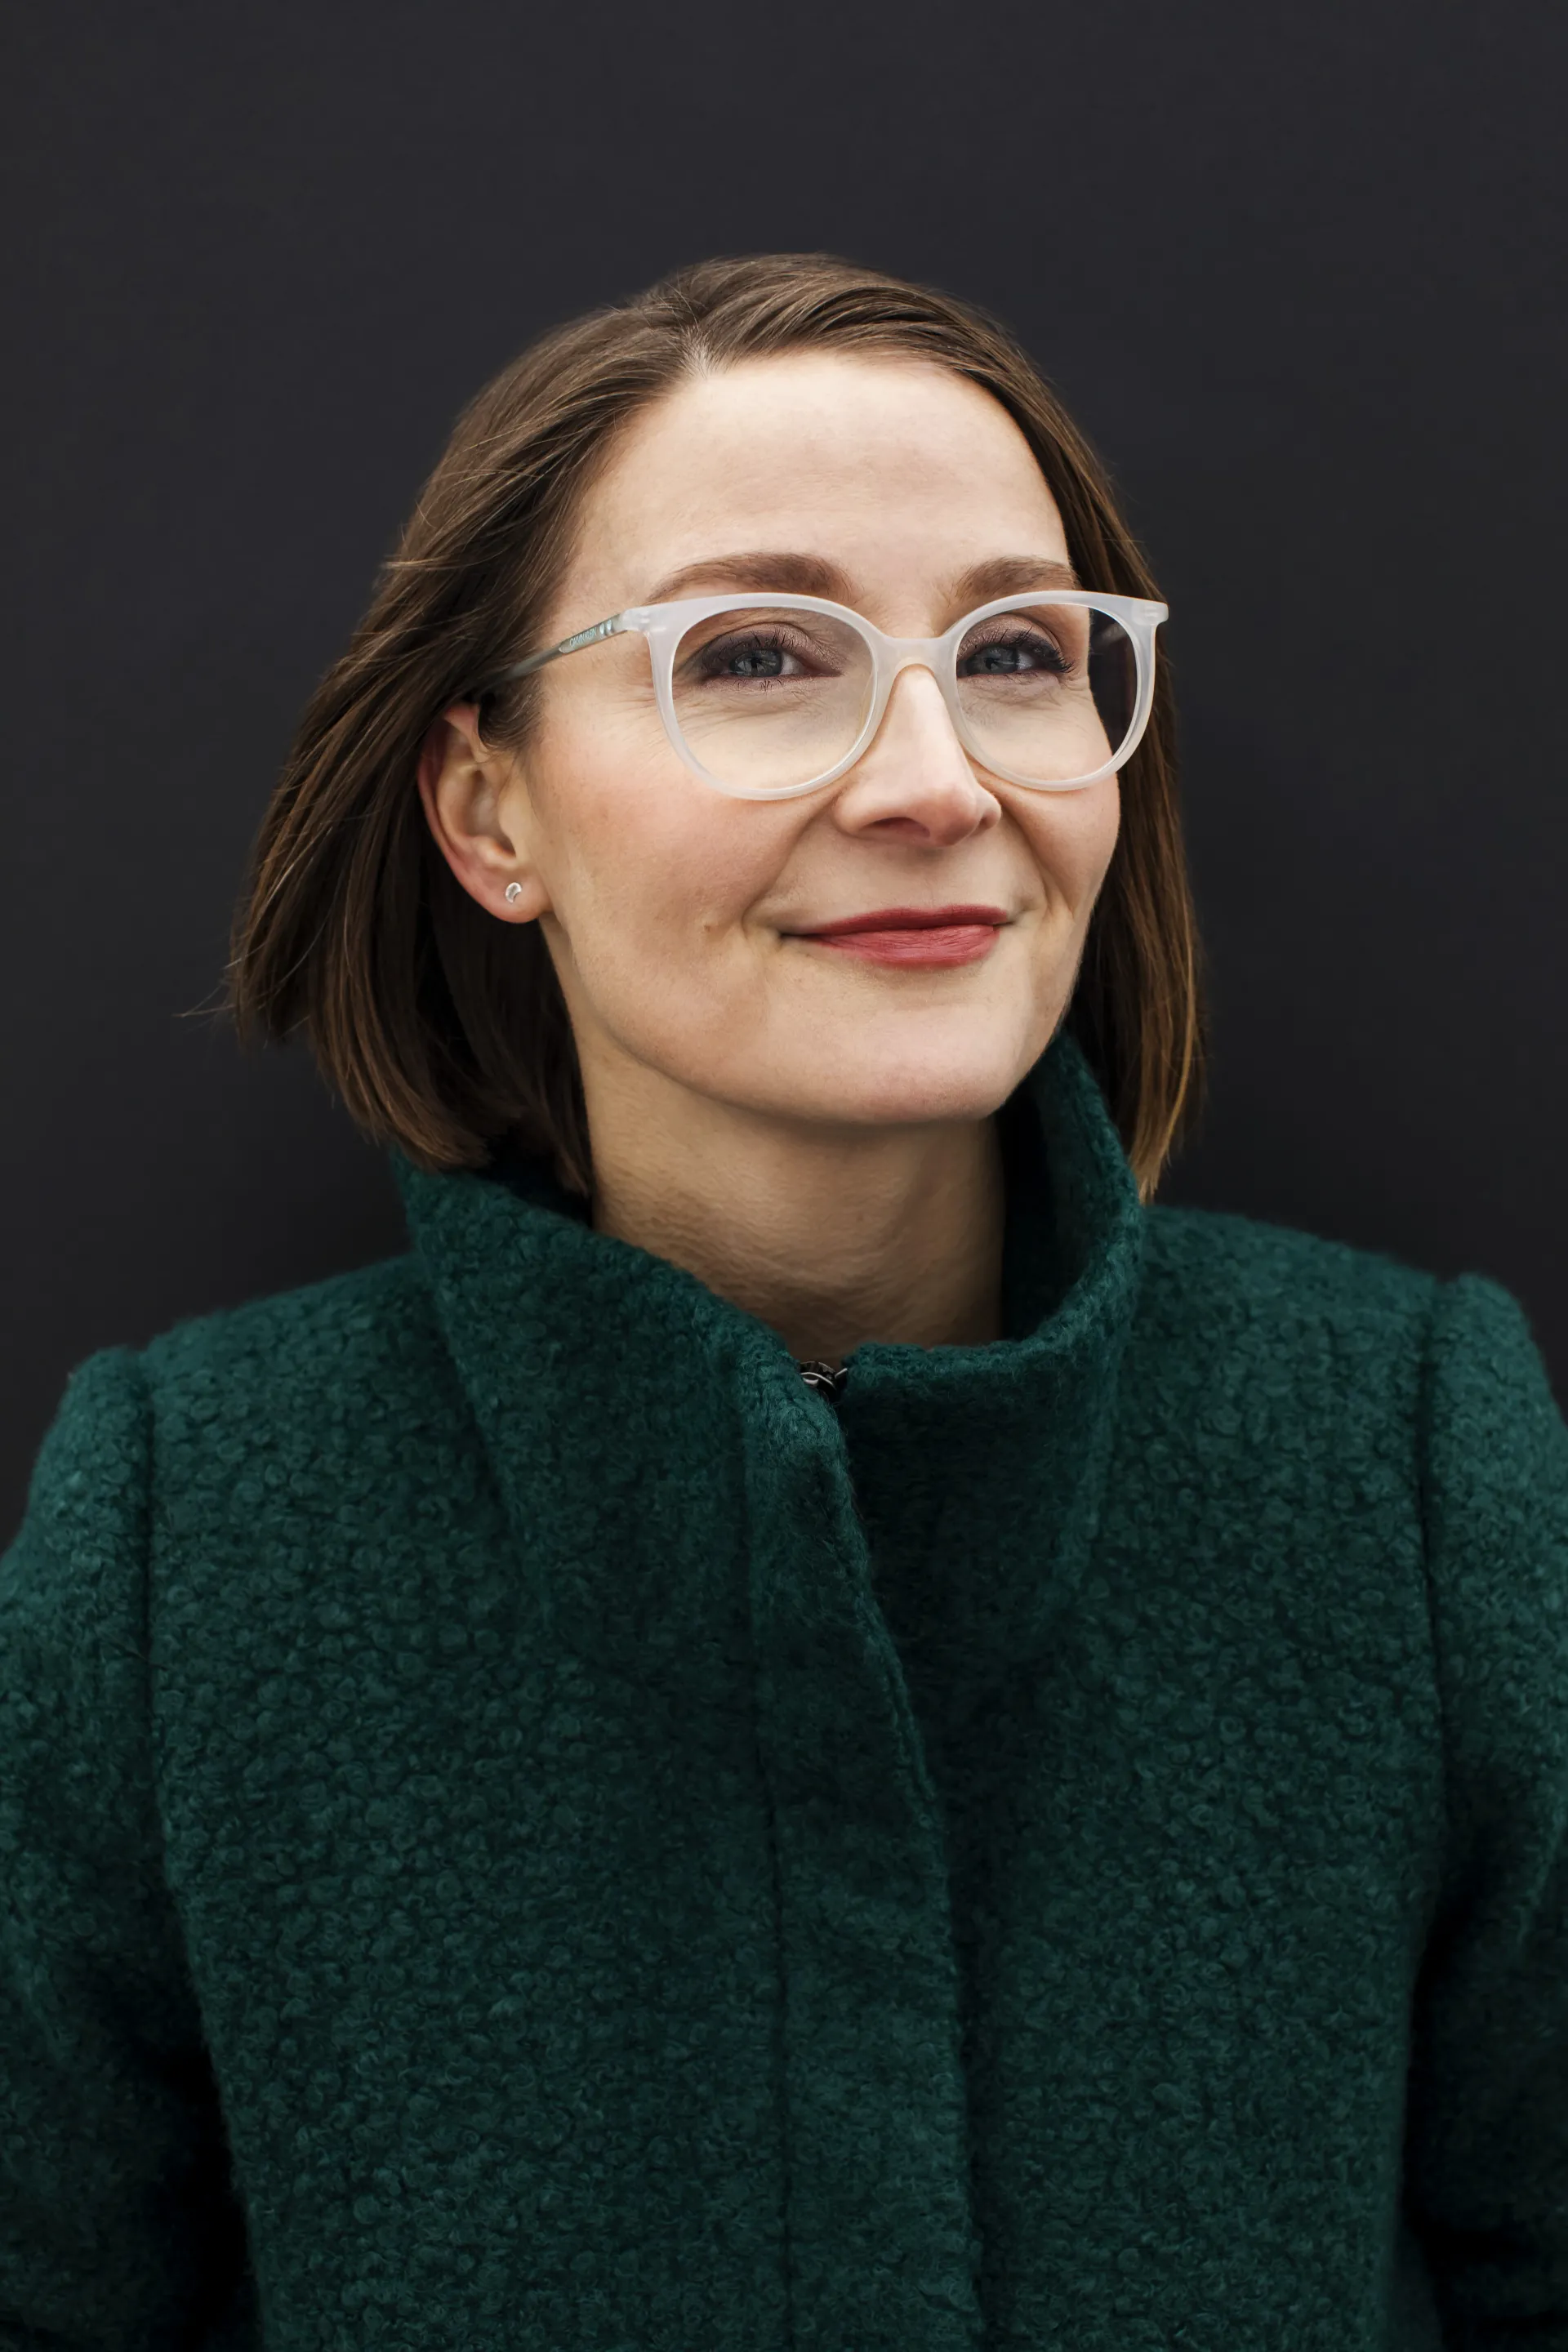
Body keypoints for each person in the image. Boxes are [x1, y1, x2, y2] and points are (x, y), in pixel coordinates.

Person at [2, 252, 1565, 2352]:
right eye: (757, 656)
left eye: (1016, 651)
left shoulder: (1412, 1462)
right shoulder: (183, 1538)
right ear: (489, 810)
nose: (936, 781)